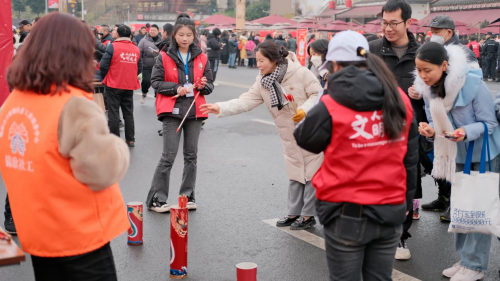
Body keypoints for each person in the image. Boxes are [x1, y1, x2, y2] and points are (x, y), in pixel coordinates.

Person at [1, 12, 130, 280]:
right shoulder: (72, 104)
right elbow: (101, 171)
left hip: (37, 232)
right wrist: (116, 147)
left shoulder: (12, 103)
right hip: (78, 233)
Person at [294, 30, 418, 281]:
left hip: (346, 212)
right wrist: (405, 203)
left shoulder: (332, 101)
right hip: (391, 209)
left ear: (336, 64)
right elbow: (410, 159)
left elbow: (305, 138)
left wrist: (327, 93)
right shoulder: (398, 97)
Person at [200, 41, 323, 230]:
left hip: (311, 131)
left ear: (274, 60)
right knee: (295, 172)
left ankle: (308, 215)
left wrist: (305, 110)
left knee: (311, 175)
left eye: (261, 60)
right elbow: (246, 101)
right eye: (256, 60)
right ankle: (293, 212)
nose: (258, 64)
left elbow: (317, 94)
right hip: (288, 134)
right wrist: (220, 107)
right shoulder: (262, 81)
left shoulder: (300, 73)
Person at [416, 42, 500, 281]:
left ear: (444, 66)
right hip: (456, 154)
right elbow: (437, 124)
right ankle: (465, 260)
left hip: (483, 154)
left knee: (479, 210)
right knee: (462, 208)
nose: (423, 76)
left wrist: (464, 131)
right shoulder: (429, 90)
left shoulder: (474, 85)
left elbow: (489, 123)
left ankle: (475, 265)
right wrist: (430, 131)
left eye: (427, 70)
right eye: (419, 70)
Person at [368, 0, 423, 261]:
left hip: (410, 131)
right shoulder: (372, 50)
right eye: (384, 23)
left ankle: (400, 236)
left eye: (393, 23)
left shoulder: (422, 52)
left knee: (406, 184)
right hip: (375, 129)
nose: (387, 28)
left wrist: (421, 95)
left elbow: (437, 89)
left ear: (408, 23)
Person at [146, 13, 214, 212]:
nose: (185, 38)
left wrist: (203, 85)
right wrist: (176, 88)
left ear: (194, 36)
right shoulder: (165, 56)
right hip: (172, 110)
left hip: (194, 110)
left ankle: (187, 196)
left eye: (189, 35)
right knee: (168, 155)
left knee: (191, 156)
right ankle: (156, 199)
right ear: (174, 35)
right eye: (181, 34)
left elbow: (209, 84)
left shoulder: (202, 57)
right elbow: (156, 83)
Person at [100, 25, 143, 147]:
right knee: (128, 113)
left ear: (118, 35)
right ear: (130, 36)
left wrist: (108, 76)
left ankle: (115, 140)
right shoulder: (136, 49)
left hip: (113, 84)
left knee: (113, 113)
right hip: (129, 85)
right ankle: (130, 139)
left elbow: (103, 66)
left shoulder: (112, 46)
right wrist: (130, 75)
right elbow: (139, 67)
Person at [139, 24, 161, 104]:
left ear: (158, 31)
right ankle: (144, 93)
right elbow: (139, 52)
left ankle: (157, 98)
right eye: (151, 30)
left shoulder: (161, 40)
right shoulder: (144, 40)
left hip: (158, 66)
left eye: (154, 30)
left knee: (157, 82)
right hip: (146, 66)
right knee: (146, 81)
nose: (152, 32)